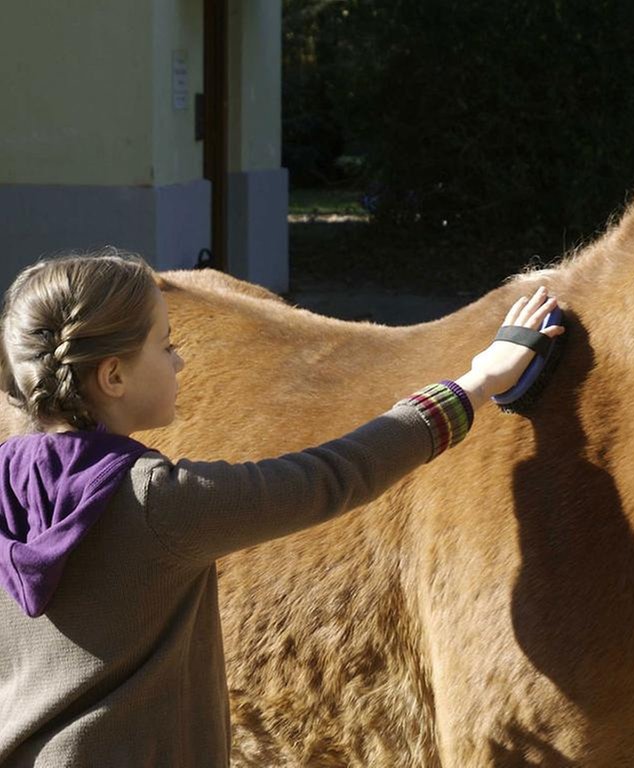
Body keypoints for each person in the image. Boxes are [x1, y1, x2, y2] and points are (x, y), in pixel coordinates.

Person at [0, 249, 564, 767]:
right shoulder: (159, 503)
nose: (179, 362)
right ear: (113, 376)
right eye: (165, 345)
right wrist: (482, 379)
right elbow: (336, 474)